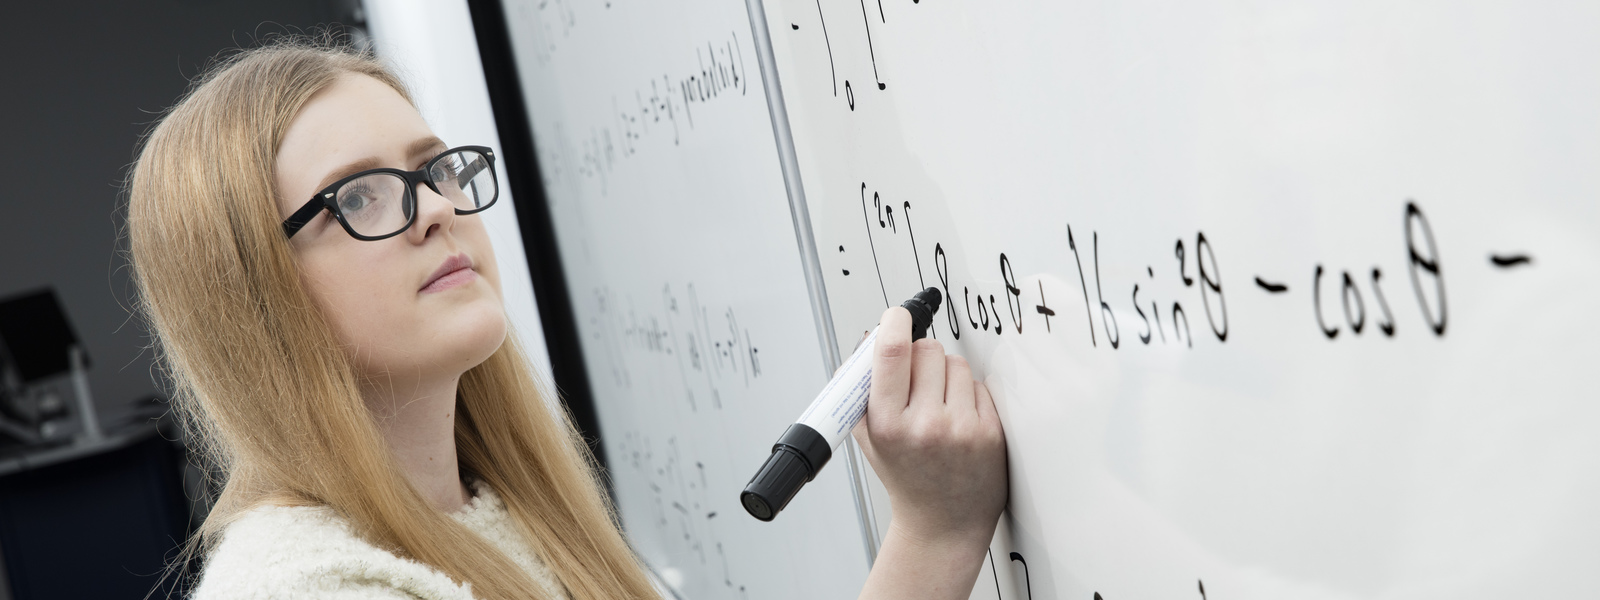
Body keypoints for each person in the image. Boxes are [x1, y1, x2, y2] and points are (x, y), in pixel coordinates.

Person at [126, 36, 1007, 600]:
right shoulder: (306, 592)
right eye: (359, 195)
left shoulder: (501, 507)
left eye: (438, 170)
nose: (437, 209)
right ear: (251, 297)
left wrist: (936, 529)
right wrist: (935, 534)